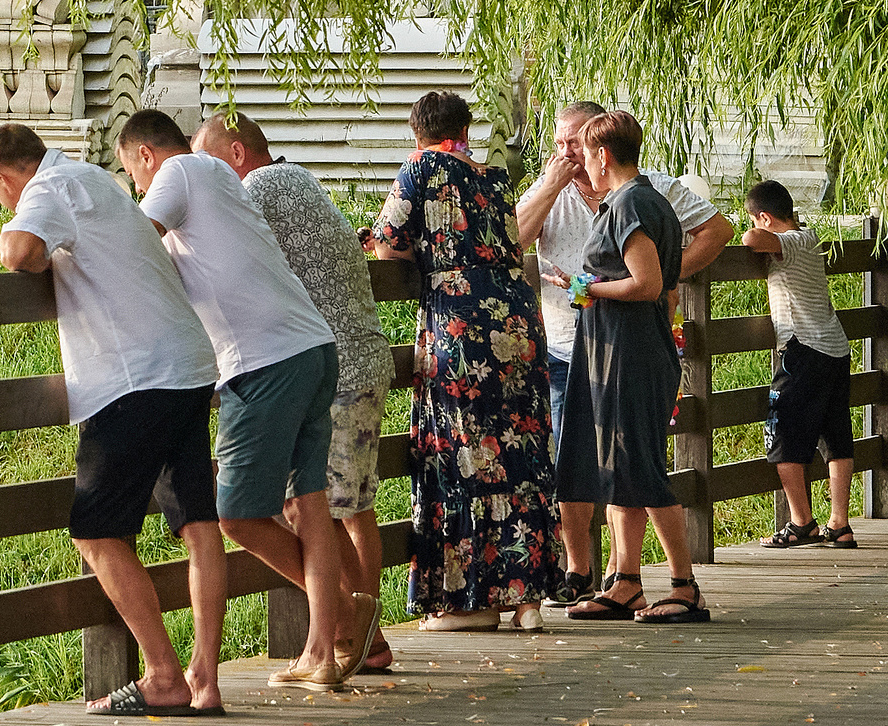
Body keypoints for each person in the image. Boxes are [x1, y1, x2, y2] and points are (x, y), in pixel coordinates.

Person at [116, 110, 370, 691]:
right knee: (310, 505)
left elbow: (130, 241)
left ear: (147, 156)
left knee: (235, 514)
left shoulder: (177, 172)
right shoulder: (219, 183)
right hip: (312, 347)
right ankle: (321, 652)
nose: (138, 190)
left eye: (134, 177)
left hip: (265, 362)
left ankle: (347, 614)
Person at [0, 123, 228, 716]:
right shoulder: (99, 180)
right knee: (198, 524)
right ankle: (206, 679)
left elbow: (19, 252)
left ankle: (164, 676)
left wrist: (17, 237)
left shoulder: (50, 187)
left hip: (132, 377)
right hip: (189, 366)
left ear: (4, 178)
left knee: (96, 534)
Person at [193, 111, 398, 670]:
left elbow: (215, 251)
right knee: (344, 508)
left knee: (316, 511)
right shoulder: (298, 178)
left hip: (327, 364)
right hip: (354, 357)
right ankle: (356, 637)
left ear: (236, 154)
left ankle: (356, 634)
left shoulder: (257, 189)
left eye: (206, 164)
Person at [367, 91, 562, 630]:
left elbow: (387, 244)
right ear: (466, 128)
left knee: (464, 451)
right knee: (522, 450)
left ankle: (466, 601)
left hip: (461, 324)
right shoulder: (494, 177)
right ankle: (527, 598)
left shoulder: (420, 167)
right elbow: (508, 238)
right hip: (517, 319)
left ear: (416, 130)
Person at [553, 110, 709, 624]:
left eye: (586, 155)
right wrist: (578, 287)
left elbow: (646, 284)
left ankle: (684, 586)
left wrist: (589, 287)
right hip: (612, 351)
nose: (583, 168)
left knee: (639, 466)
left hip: (632, 356)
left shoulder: (630, 203)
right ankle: (626, 583)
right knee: (616, 466)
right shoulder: (638, 201)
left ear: (603, 155)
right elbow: (618, 281)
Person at [514, 100, 734, 433]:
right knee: (572, 460)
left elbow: (717, 231)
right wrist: (550, 187)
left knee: (628, 453)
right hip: (566, 351)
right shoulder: (548, 188)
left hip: (630, 345)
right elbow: (511, 243)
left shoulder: (645, 190)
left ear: (600, 145)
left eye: (574, 143)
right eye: (558, 144)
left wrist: (663, 276)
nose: (565, 153)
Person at [744, 179, 859, 549]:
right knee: (836, 436)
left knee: (781, 437)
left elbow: (751, 241)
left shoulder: (791, 241)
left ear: (764, 216)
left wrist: (757, 230)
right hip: (835, 349)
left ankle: (801, 521)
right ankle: (839, 523)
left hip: (801, 350)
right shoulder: (811, 239)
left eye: (755, 219)